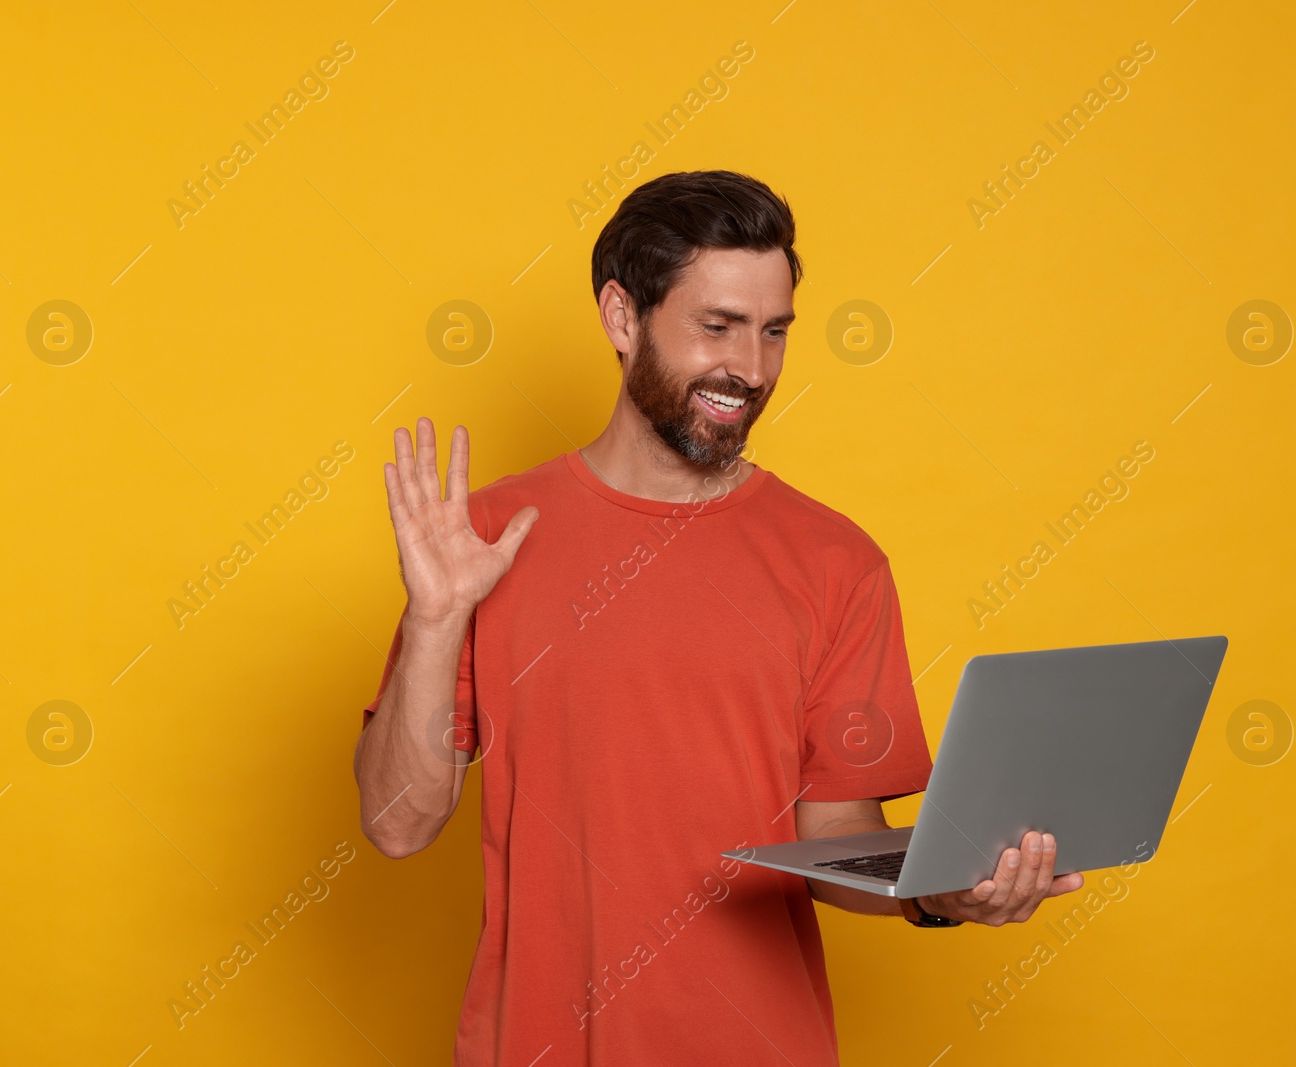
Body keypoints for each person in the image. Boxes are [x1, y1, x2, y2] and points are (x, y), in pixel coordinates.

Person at [354, 169, 1084, 1065]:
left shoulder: (835, 563)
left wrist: (941, 891)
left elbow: (836, 835)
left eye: (774, 332)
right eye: (718, 327)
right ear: (622, 319)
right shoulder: (485, 541)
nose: (751, 367)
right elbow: (398, 822)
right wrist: (434, 621)